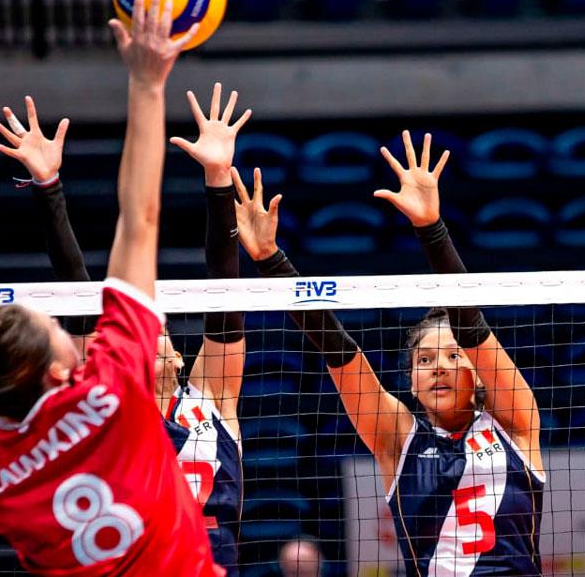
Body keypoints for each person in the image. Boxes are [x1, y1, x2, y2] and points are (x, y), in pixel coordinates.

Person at [0, 0, 220, 576]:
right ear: (57, 369)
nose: (77, 335)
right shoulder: (116, 381)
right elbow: (140, 218)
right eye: (59, 330)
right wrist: (148, 85)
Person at [230, 130, 545, 577]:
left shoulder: (515, 423)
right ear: (412, 382)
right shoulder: (398, 438)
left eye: (453, 358)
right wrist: (269, 260)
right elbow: (340, 354)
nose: (438, 368)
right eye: (424, 361)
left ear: (479, 374)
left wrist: (431, 228)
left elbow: (472, 327)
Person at [0, 75, 251, 574]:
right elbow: (78, 291)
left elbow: (225, 295)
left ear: (179, 356)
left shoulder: (213, 397)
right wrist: (48, 186)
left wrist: (219, 179)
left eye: (165, 333)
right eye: (144, 330)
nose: (153, 335)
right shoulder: (108, 401)